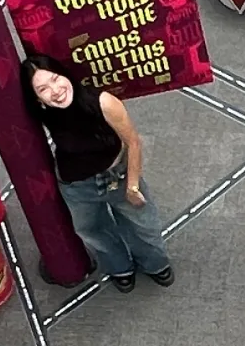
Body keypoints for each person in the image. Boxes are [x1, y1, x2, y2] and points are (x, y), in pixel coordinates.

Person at [22, 52, 174, 292]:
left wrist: (132, 185)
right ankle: (120, 268)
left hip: (119, 175)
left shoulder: (103, 102)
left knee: (143, 225)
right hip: (77, 186)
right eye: (43, 89)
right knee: (93, 231)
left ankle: (155, 264)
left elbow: (133, 141)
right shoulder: (44, 111)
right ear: (38, 99)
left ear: (65, 75)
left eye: (55, 78)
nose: (55, 90)